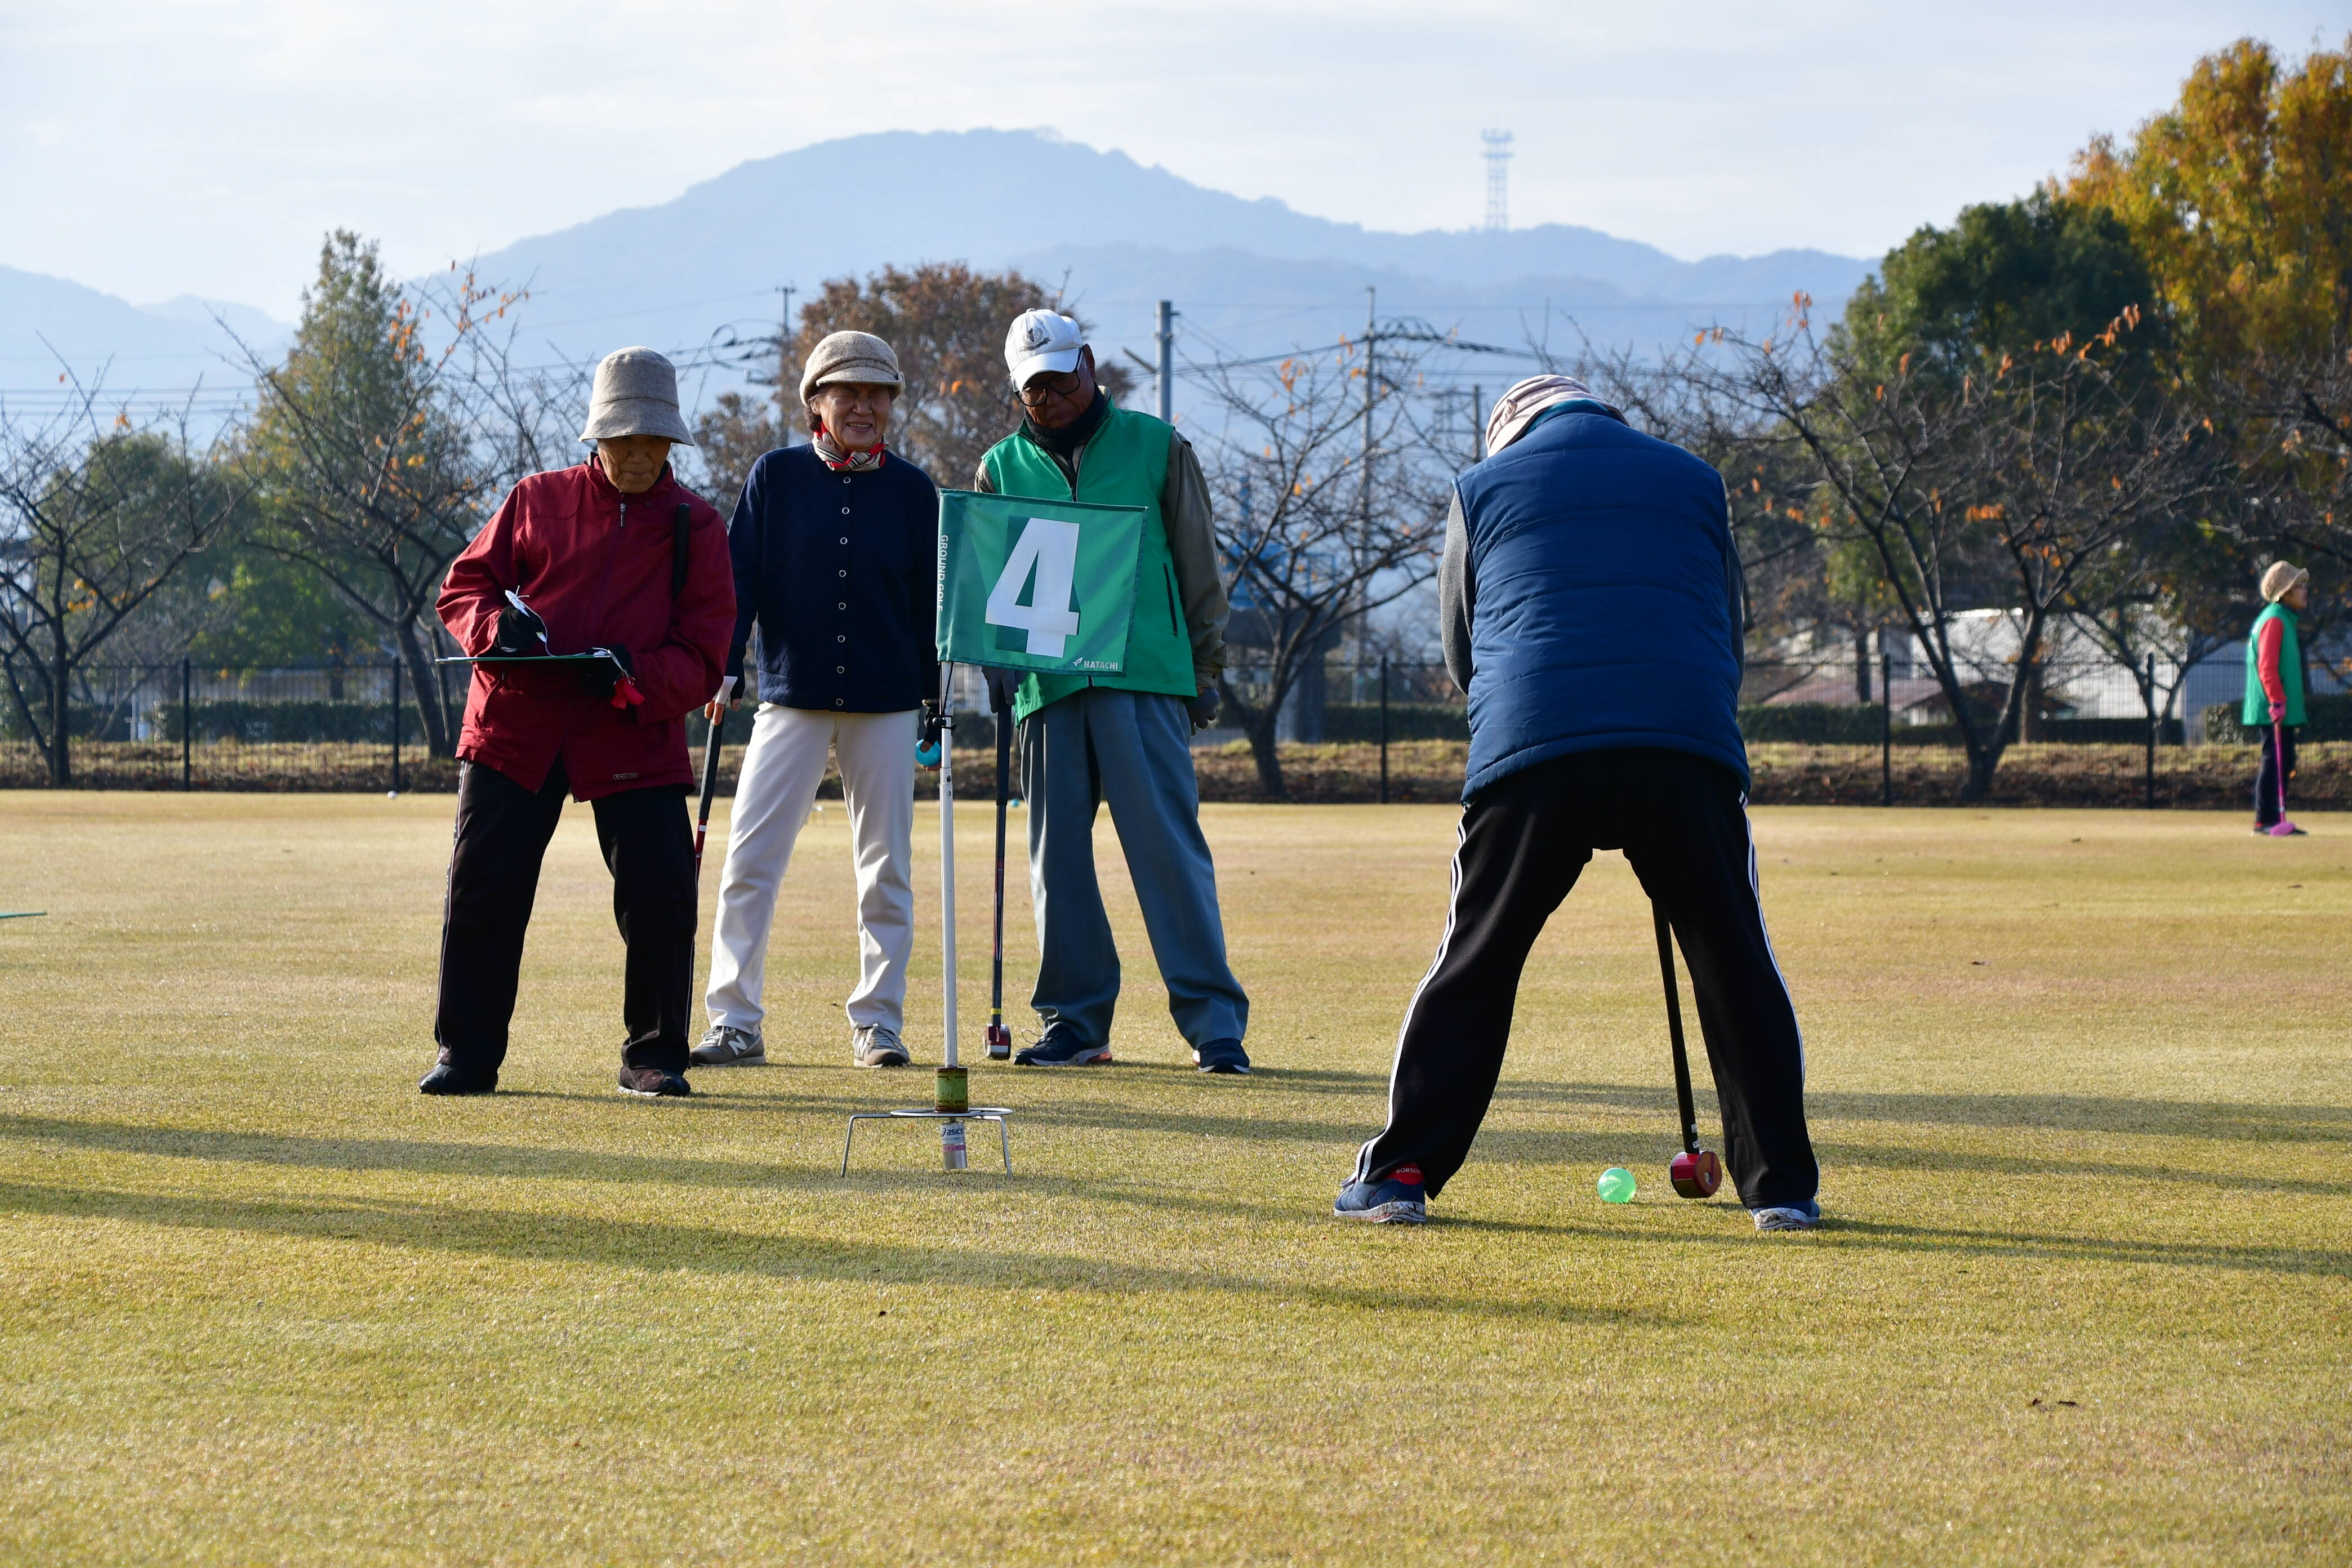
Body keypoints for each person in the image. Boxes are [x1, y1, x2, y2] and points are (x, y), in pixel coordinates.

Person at [1334, 375, 1821, 1230]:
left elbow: (1463, 643)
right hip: (1682, 738)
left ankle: (1399, 1173)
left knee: (1477, 957)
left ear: (1508, 434)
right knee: (1735, 958)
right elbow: (1725, 628)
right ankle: (1782, 1189)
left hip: (1534, 743)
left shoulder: (1480, 488)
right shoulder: (1694, 478)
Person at [421, 347, 734, 1099]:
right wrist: (498, 630)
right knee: (484, 890)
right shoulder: (536, 499)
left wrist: (633, 678)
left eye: (651, 440)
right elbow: (464, 588)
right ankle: (467, 1056)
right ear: (596, 436)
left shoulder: (698, 525)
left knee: (662, 893)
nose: (636, 454)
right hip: (515, 722)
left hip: (633, 725)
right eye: (622, 438)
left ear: (672, 441)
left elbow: (703, 649)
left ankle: (654, 1057)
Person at [973, 308, 1251, 1074]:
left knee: (1168, 855)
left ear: (1090, 363)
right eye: (1035, 387)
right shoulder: (1000, 468)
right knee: (1056, 862)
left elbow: (1198, 566)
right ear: (1017, 389)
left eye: (1063, 376)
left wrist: (1206, 669)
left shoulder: (1157, 446)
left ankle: (1214, 1024)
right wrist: (989, 666)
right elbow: (991, 584)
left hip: (1147, 676)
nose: (1053, 394)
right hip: (1048, 687)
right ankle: (1076, 1022)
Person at [692, 332, 941, 1071]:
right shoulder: (775, 477)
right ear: (816, 405)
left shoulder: (914, 490)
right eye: (848, 393)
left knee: (886, 870)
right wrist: (724, 666)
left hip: (889, 702)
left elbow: (932, 601)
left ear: (892, 406)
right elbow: (739, 580)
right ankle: (734, 1021)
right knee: (750, 862)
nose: (863, 407)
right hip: (790, 696)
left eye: (877, 395)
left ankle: (879, 1023)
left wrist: (935, 695)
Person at [2247, 560, 2311, 838]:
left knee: (2284, 761)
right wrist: (2277, 700)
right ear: (2285, 592)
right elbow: (2266, 666)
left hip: (2279, 705)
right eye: (2300, 586)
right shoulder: (2274, 620)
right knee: (2274, 760)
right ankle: (2265, 821)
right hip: (2272, 707)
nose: (2305, 591)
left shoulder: (2283, 619)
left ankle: (2273, 820)